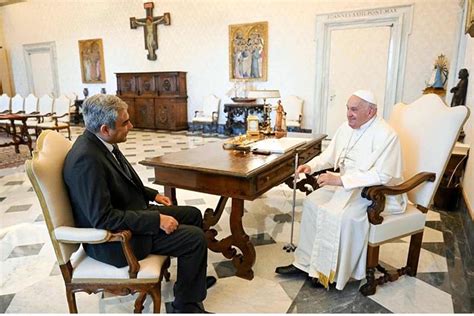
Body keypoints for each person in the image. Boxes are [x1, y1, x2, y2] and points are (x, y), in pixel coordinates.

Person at [63, 94, 214, 313]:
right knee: (194, 238)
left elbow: (121, 180)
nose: (131, 126)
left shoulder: (101, 142)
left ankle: (191, 283)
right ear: (105, 128)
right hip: (116, 242)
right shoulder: (86, 161)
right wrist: (157, 219)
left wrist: (152, 195)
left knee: (192, 214)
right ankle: (185, 305)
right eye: (125, 123)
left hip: (130, 212)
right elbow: (103, 218)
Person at [275, 90, 407, 290]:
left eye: (354, 109)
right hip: (345, 185)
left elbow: (384, 176)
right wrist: (311, 166)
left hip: (375, 193)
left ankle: (329, 273)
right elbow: (329, 155)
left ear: (371, 111)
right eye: (347, 108)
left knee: (346, 217)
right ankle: (305, 264)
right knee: (312, 202)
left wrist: (340, 180)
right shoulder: (346, 128)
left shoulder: (387, 135)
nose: (348, 114)